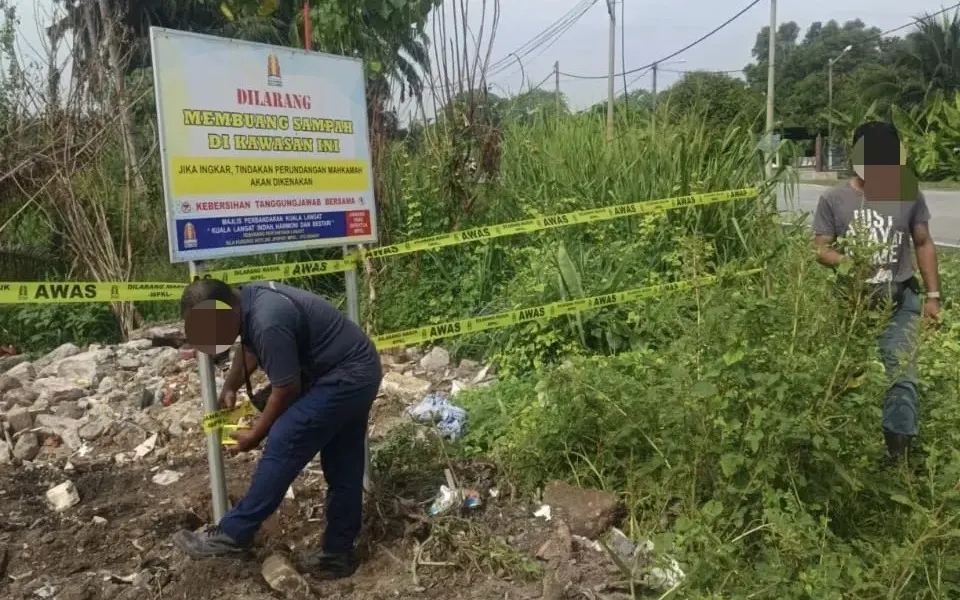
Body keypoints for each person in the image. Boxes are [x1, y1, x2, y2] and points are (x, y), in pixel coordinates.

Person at [172, 278, 382, 579]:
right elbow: (251, 350)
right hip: (355, 370)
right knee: (342, 462)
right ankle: (337, 555)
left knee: (285, 437)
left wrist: (255, 435)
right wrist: (231, 385)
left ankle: (232, 535)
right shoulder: (249, 302)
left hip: (345, 375)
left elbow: (286, 389)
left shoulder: (268, 319)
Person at [812, 121, 940, 464]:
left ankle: (897, 458)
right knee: (840, 374)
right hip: (851, 304)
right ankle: (826, 450)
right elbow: (822, 248)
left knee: (901, 375)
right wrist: (849, 262)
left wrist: (933, 296)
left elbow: (924, 242)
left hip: (899, 301)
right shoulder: (834, 198)